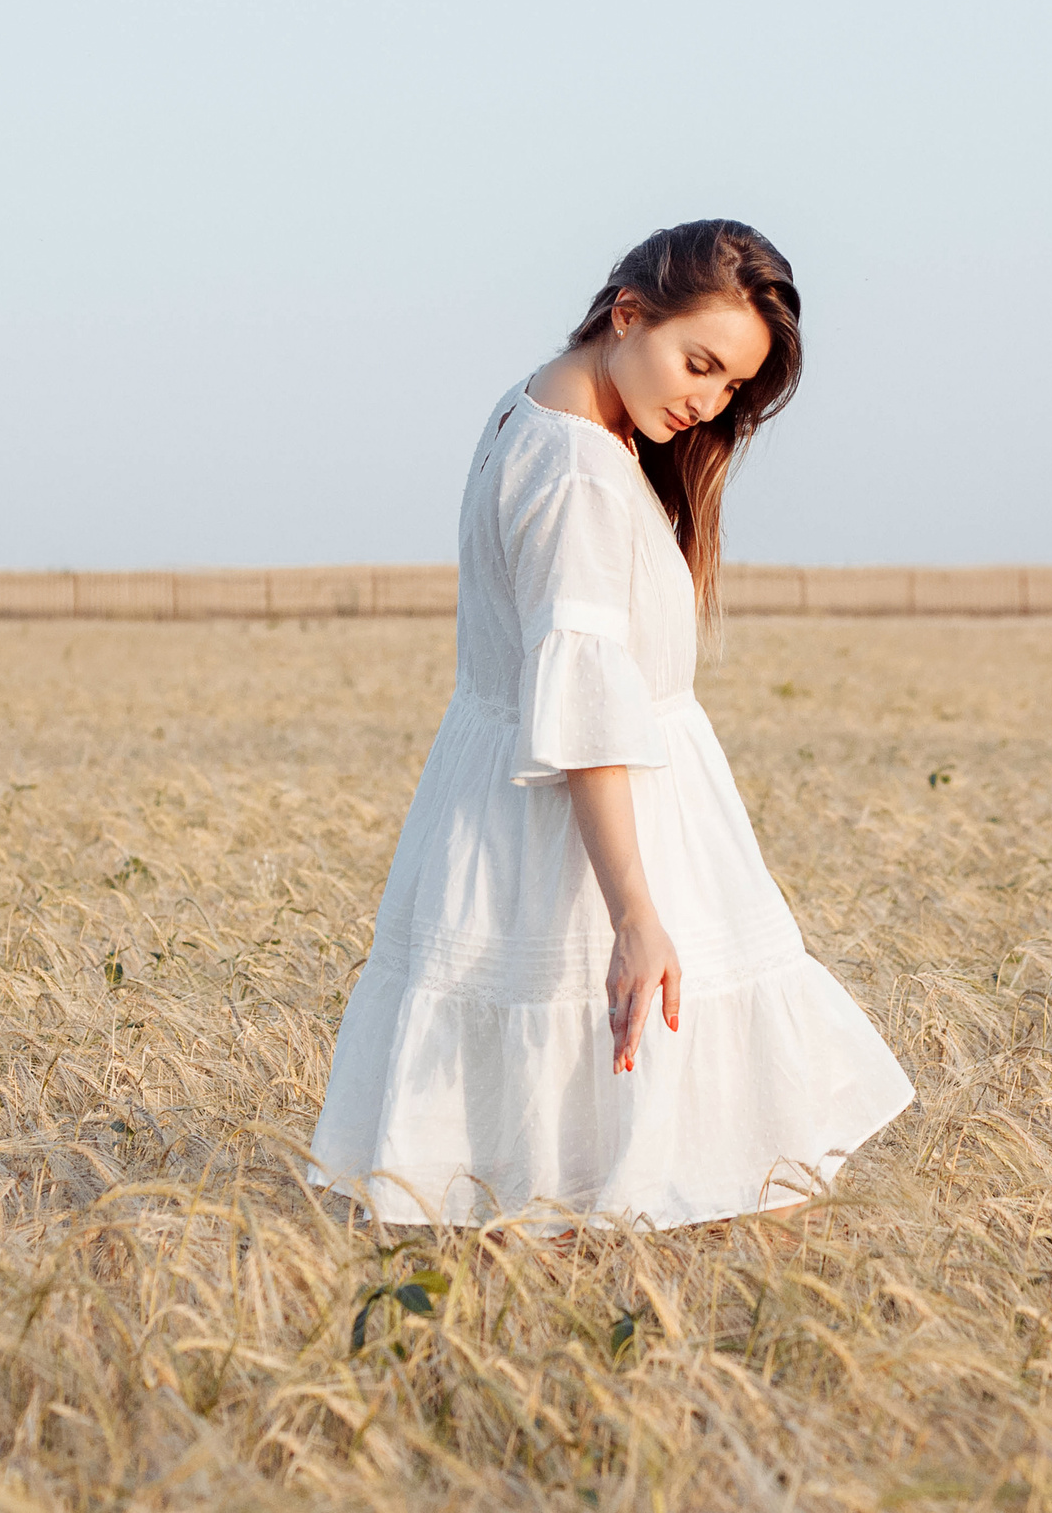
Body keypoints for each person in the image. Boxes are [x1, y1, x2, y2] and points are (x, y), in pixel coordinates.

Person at [306, 219, 914, 1233]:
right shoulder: (582, 472)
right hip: (581, 832)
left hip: (520, 806)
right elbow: (584, 710)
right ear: (627, 315)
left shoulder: (531, 408)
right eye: (700, 363)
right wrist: (634, 915)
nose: (707, 402)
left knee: (542, 1158)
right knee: (601, 1157)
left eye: (731, 390)